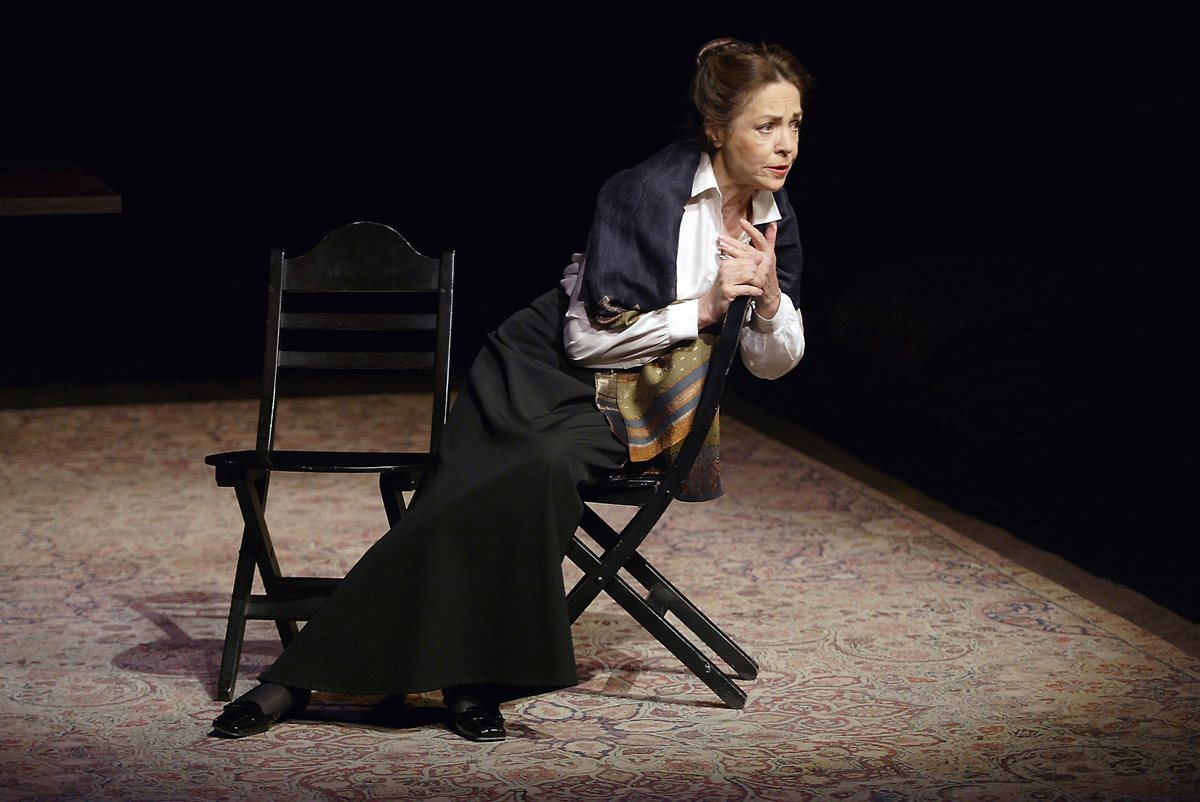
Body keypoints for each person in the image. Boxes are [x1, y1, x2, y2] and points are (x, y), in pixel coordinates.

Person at [211, 36, 813, 743]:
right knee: (462, 495)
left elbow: (775, 363)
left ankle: (318, 676)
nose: (785, 144)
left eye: (795, 124)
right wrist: (706, 310)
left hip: (632, 401)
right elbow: (587, 338)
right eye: (765, 125)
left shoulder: (775, 218)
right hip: (537, 367)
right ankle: (454, 681)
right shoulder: (644, 194)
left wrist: (769, 299)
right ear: (717, 129)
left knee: (539, 470)